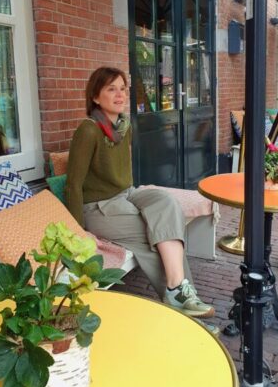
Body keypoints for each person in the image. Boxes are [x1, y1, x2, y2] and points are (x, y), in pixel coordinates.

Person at [65, 66, 215, 319]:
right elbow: (73, 184)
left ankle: (177, 288)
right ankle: (183, 307)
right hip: (99, 207)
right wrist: (78, 232)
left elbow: (123, 173)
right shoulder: (88, 130)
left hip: (127, 194)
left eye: (123, 89)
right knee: (153, 234)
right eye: (111, 89)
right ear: (95, 96)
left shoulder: (124, 126)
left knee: (167, 203)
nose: (119, 94)